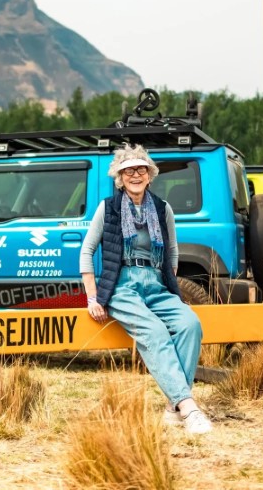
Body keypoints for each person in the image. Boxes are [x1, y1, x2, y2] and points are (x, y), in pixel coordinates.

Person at [79, 144, 212, 435]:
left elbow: (173, 252)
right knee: (154, 331)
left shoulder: (163, 209)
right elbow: (86, 251)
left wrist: (169, 283)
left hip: (155, 281)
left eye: (141, 169)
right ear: (120, 177)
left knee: (190, 324)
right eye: (129, 170)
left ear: (150, 175)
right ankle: (189, 408)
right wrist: (93, 297)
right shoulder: (109, 208)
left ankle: (172, 405)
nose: (135, 175)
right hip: (122, 285)